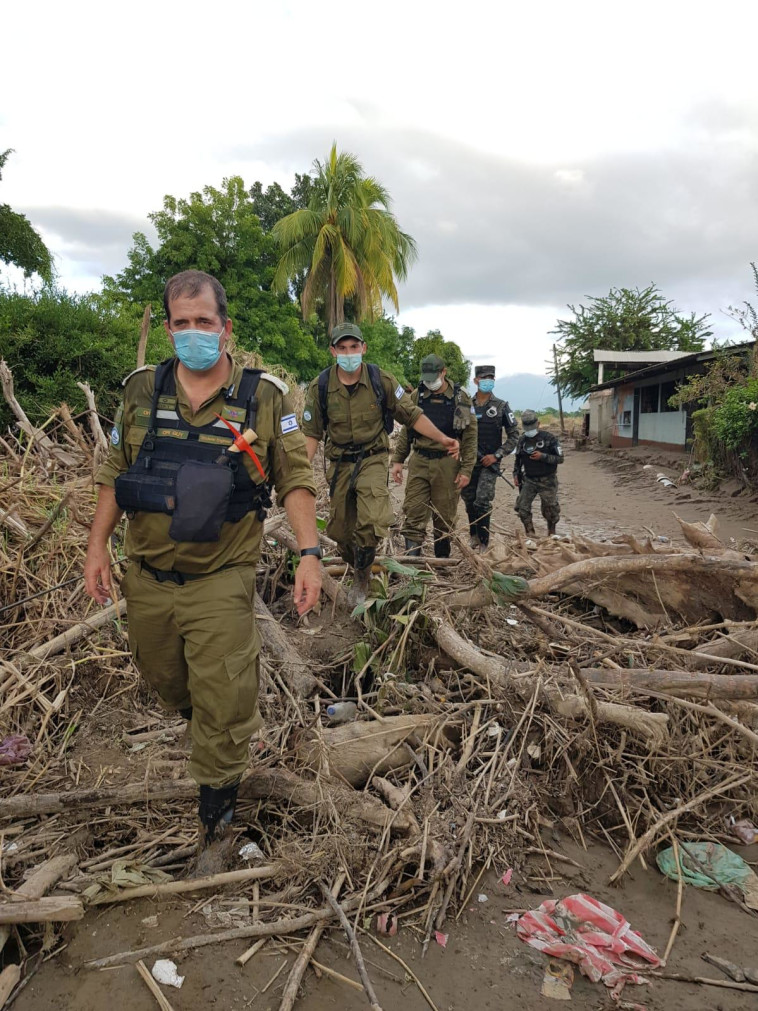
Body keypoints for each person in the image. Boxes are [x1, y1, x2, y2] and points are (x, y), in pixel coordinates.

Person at [84, 270, 322, 854]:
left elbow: (294, 478)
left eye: (204, 322)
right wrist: (96, 547)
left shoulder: (265, 396)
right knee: (166, 679)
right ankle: (213, 727)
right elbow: (116, 473)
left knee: (222, 693)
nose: (193, 333)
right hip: (147, 575)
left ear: (225, 327)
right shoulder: (142, 390)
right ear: (167, 328)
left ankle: (216, 821)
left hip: (221, 575)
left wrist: (310, 554)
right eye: (182, 323)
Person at [302, 324, 459, 605]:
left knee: (372, 521)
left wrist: (443, 438)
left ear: (363, 348)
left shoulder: (380, 380)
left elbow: (411, 416)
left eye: (354, 347)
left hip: (373, 458)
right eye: (342, 348)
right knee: (341, 532)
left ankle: (361, 578)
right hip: (339, 464)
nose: (349, 353)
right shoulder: (321, 386)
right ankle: (357, 563)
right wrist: (299, 475)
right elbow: (312, 434)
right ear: (333, 351)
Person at [391, 354, 477, 557]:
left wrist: (467, 470)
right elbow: (407, 430)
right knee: (413, 510)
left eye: (434, 377)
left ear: (443, 372)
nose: (430, 382)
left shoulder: (459, 398)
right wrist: (397, 460)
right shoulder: (417, 396)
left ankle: (442, 560)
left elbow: (470, 436)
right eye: (426, 378)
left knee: (444, 516)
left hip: (447, 463)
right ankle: (413, 560)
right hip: (419, 460)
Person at [461, 364, 519, 551]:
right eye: (484, 378)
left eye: (491, 378)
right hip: (469, 462)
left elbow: (514, 436)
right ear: (476, 381)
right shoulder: (465, 406)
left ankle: (485, 542)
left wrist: (496, 455)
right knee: (469, 500)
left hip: (489, 464)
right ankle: (474, 535)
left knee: (482, 501)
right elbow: (457, 432)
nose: (488, 381)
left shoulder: (501, 406)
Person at [513, 409, 563, 536]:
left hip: (547, 479)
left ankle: (551, 533)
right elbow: (518, 460)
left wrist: (543, 456)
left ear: (538, 424)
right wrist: (516, 475)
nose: (529, 429)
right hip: (529, 479)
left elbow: (560, 458)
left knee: (550, 509)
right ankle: (530, 533)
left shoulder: (549, 438)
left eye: (532, 426)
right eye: (527, 427)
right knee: (522, 508)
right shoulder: (522, 440)